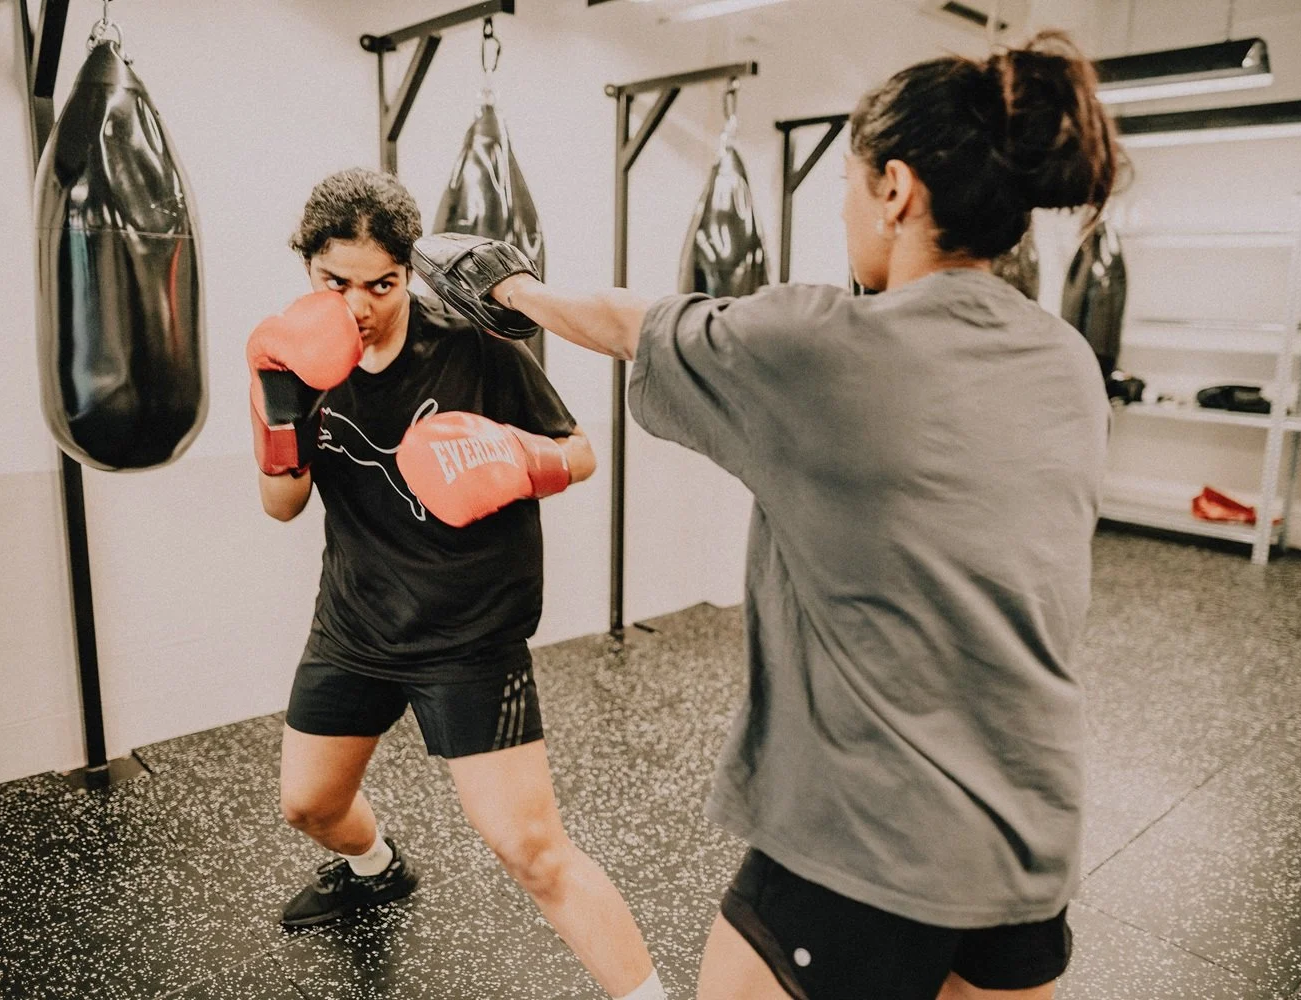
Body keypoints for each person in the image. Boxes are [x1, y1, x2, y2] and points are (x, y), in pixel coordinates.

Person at [415, 30, 1122, 1000]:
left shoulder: (825, 346)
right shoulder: (1069, 364)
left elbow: (634, 321)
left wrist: (502, 284)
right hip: (1031, 834)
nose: (844, 208)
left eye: (848, 181)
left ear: (896, 191)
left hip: (871, 836)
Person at [250, 167, 668, 1000]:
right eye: (338, 281)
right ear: (310, 269)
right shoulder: (288, 360)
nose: (360, 304)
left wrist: (513, 456)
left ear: (408, 272)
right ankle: (377, 870)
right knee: (308, 806)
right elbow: (282, 506)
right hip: (356, 626)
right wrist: (281, 418)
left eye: (383, 283)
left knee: (531, 850)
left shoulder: (474, 346)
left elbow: (580, 450)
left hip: (471, 637)